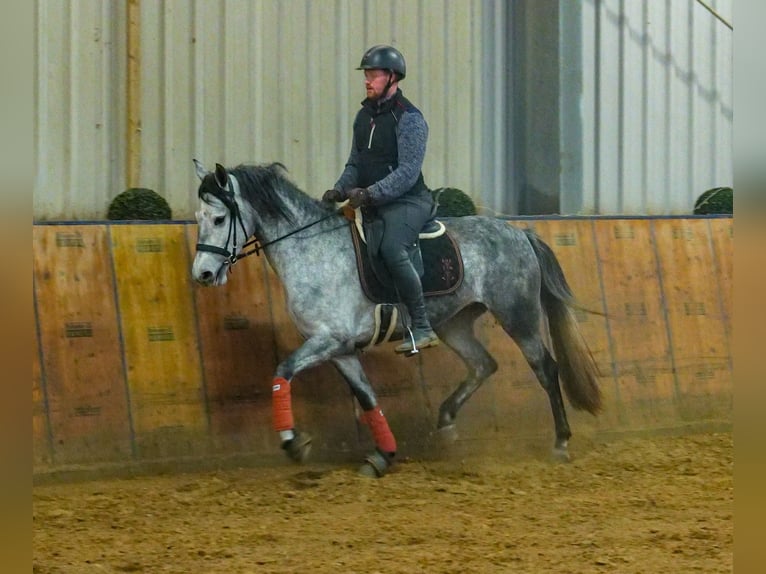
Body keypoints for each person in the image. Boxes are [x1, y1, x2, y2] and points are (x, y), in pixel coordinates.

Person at [322, 44, 439, 353]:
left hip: (408, 202)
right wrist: (338, 189)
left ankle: (423, 326)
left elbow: (407, 173)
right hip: (373, 201)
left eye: (373, 75)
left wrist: (370, 193)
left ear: (392, 77)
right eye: (367, 75)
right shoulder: (363, 117)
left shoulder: (410, 119)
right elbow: (355, 164)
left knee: (391, 248)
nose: (367, 80)